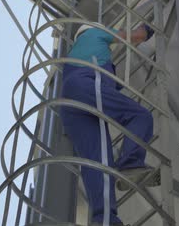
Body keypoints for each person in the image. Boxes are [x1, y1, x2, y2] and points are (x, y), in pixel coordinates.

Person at [60, 22, 158, 226]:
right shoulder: (97, 33)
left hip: (69, 102)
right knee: (139, 116)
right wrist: (148, 29)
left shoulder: (73, 53)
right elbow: (132, 36)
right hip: (87, 81)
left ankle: (104, 220)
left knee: (97, 161)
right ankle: (130, 164)